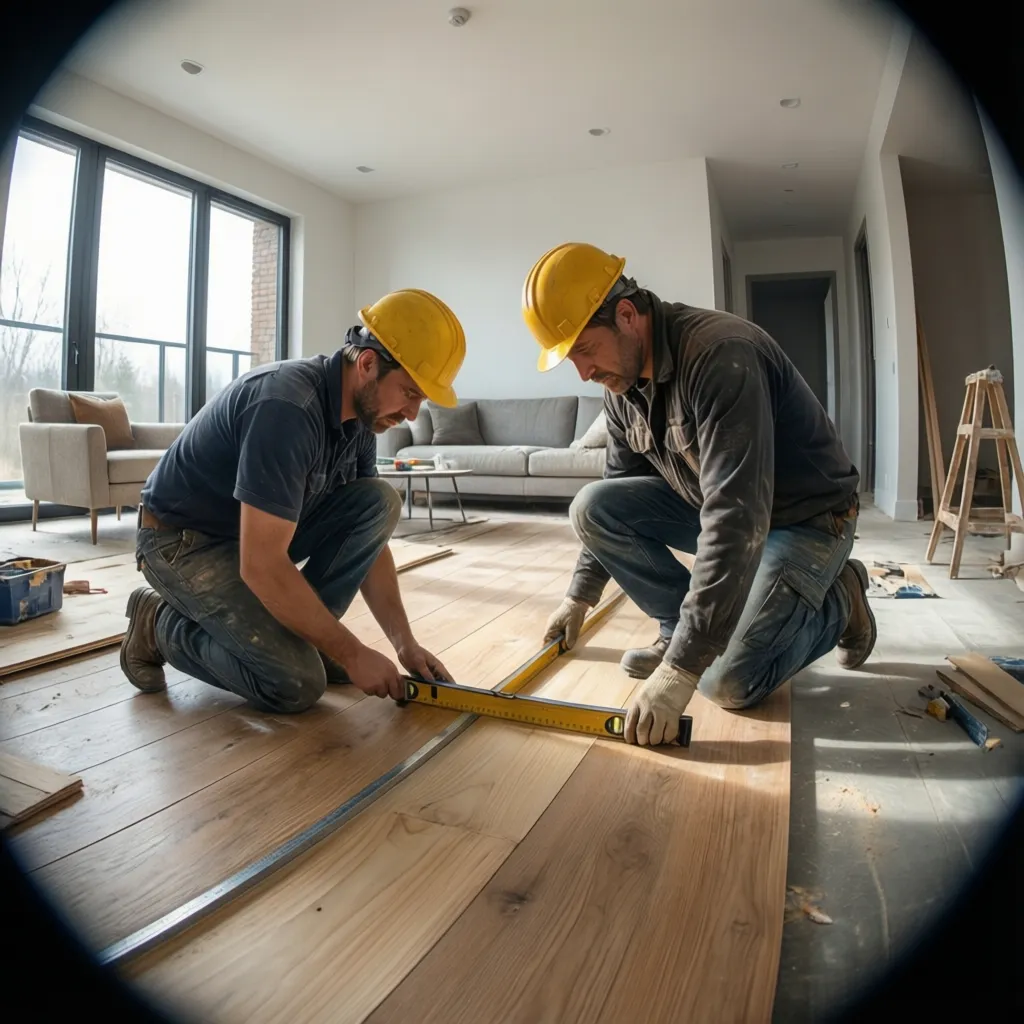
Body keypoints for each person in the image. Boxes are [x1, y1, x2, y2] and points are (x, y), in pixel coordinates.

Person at [522, 242, 876, 747]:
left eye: (584, 350)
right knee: (593, 508)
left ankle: (843, 596)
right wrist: (579, 596)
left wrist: (682, 672)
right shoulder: (622, 389)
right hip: (724, 509)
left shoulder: (719, 356)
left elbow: (737, 518)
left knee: (726, 682)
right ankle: (676, 628)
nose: (583, 372)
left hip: (806, 519)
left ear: (627, 315)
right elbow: (618, 490)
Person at [120, 288, 466, 714]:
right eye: (410, 393)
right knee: (296, 682)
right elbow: (261, 563)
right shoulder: (286, 408)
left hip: (250, 539)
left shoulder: (361, 418)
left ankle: (301, 639)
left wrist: (404, 644)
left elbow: (370, 544)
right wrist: (353, 652)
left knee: (379, 502)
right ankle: (157, 625)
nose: (412, 414)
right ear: (368, 363)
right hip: (183, 543)